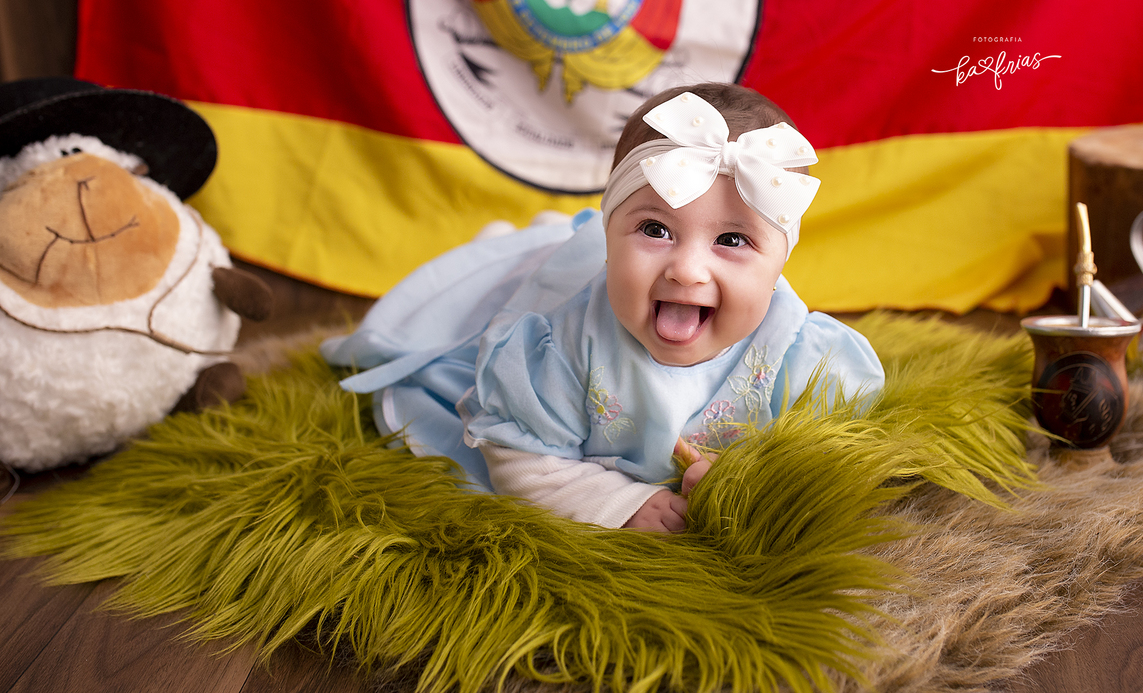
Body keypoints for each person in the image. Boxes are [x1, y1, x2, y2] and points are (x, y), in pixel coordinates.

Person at [322, 82, 884, 533]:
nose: (687, 270)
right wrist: (621, 503)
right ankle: (530, 244)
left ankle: (558, 235)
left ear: (779, 262)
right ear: (612, 232)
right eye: (655, 229)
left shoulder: (797, 357)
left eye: (732, 240)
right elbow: (519, 456)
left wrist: (748, 480)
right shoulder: (565, 346)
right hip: (559, 280)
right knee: (493, 287)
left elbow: (828, 461)